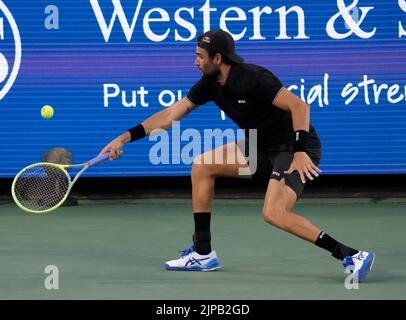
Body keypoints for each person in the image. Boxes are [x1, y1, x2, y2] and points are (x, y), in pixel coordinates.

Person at [99, 29, 375, 281]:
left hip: (292, 147)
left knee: (274, 213)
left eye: (199, 56)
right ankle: (203, 253)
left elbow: (300, 107)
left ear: (217, 58)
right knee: (202, 166)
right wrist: (124, 137)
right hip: (259, 145)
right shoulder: (208, 84)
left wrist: (301, 150)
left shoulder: (253, 78)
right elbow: (170, 115)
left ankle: (350, 254)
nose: (195, 62)